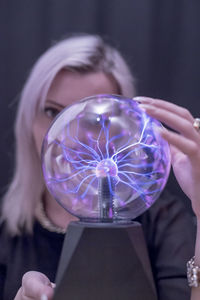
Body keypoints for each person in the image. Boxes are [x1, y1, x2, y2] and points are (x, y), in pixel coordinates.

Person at [0, 34, 199, 300]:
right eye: (52, 112)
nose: (69, 134)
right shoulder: (5, 228)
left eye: (94, 118)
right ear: (27, 119)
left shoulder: (164, 221)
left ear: (128, 125)